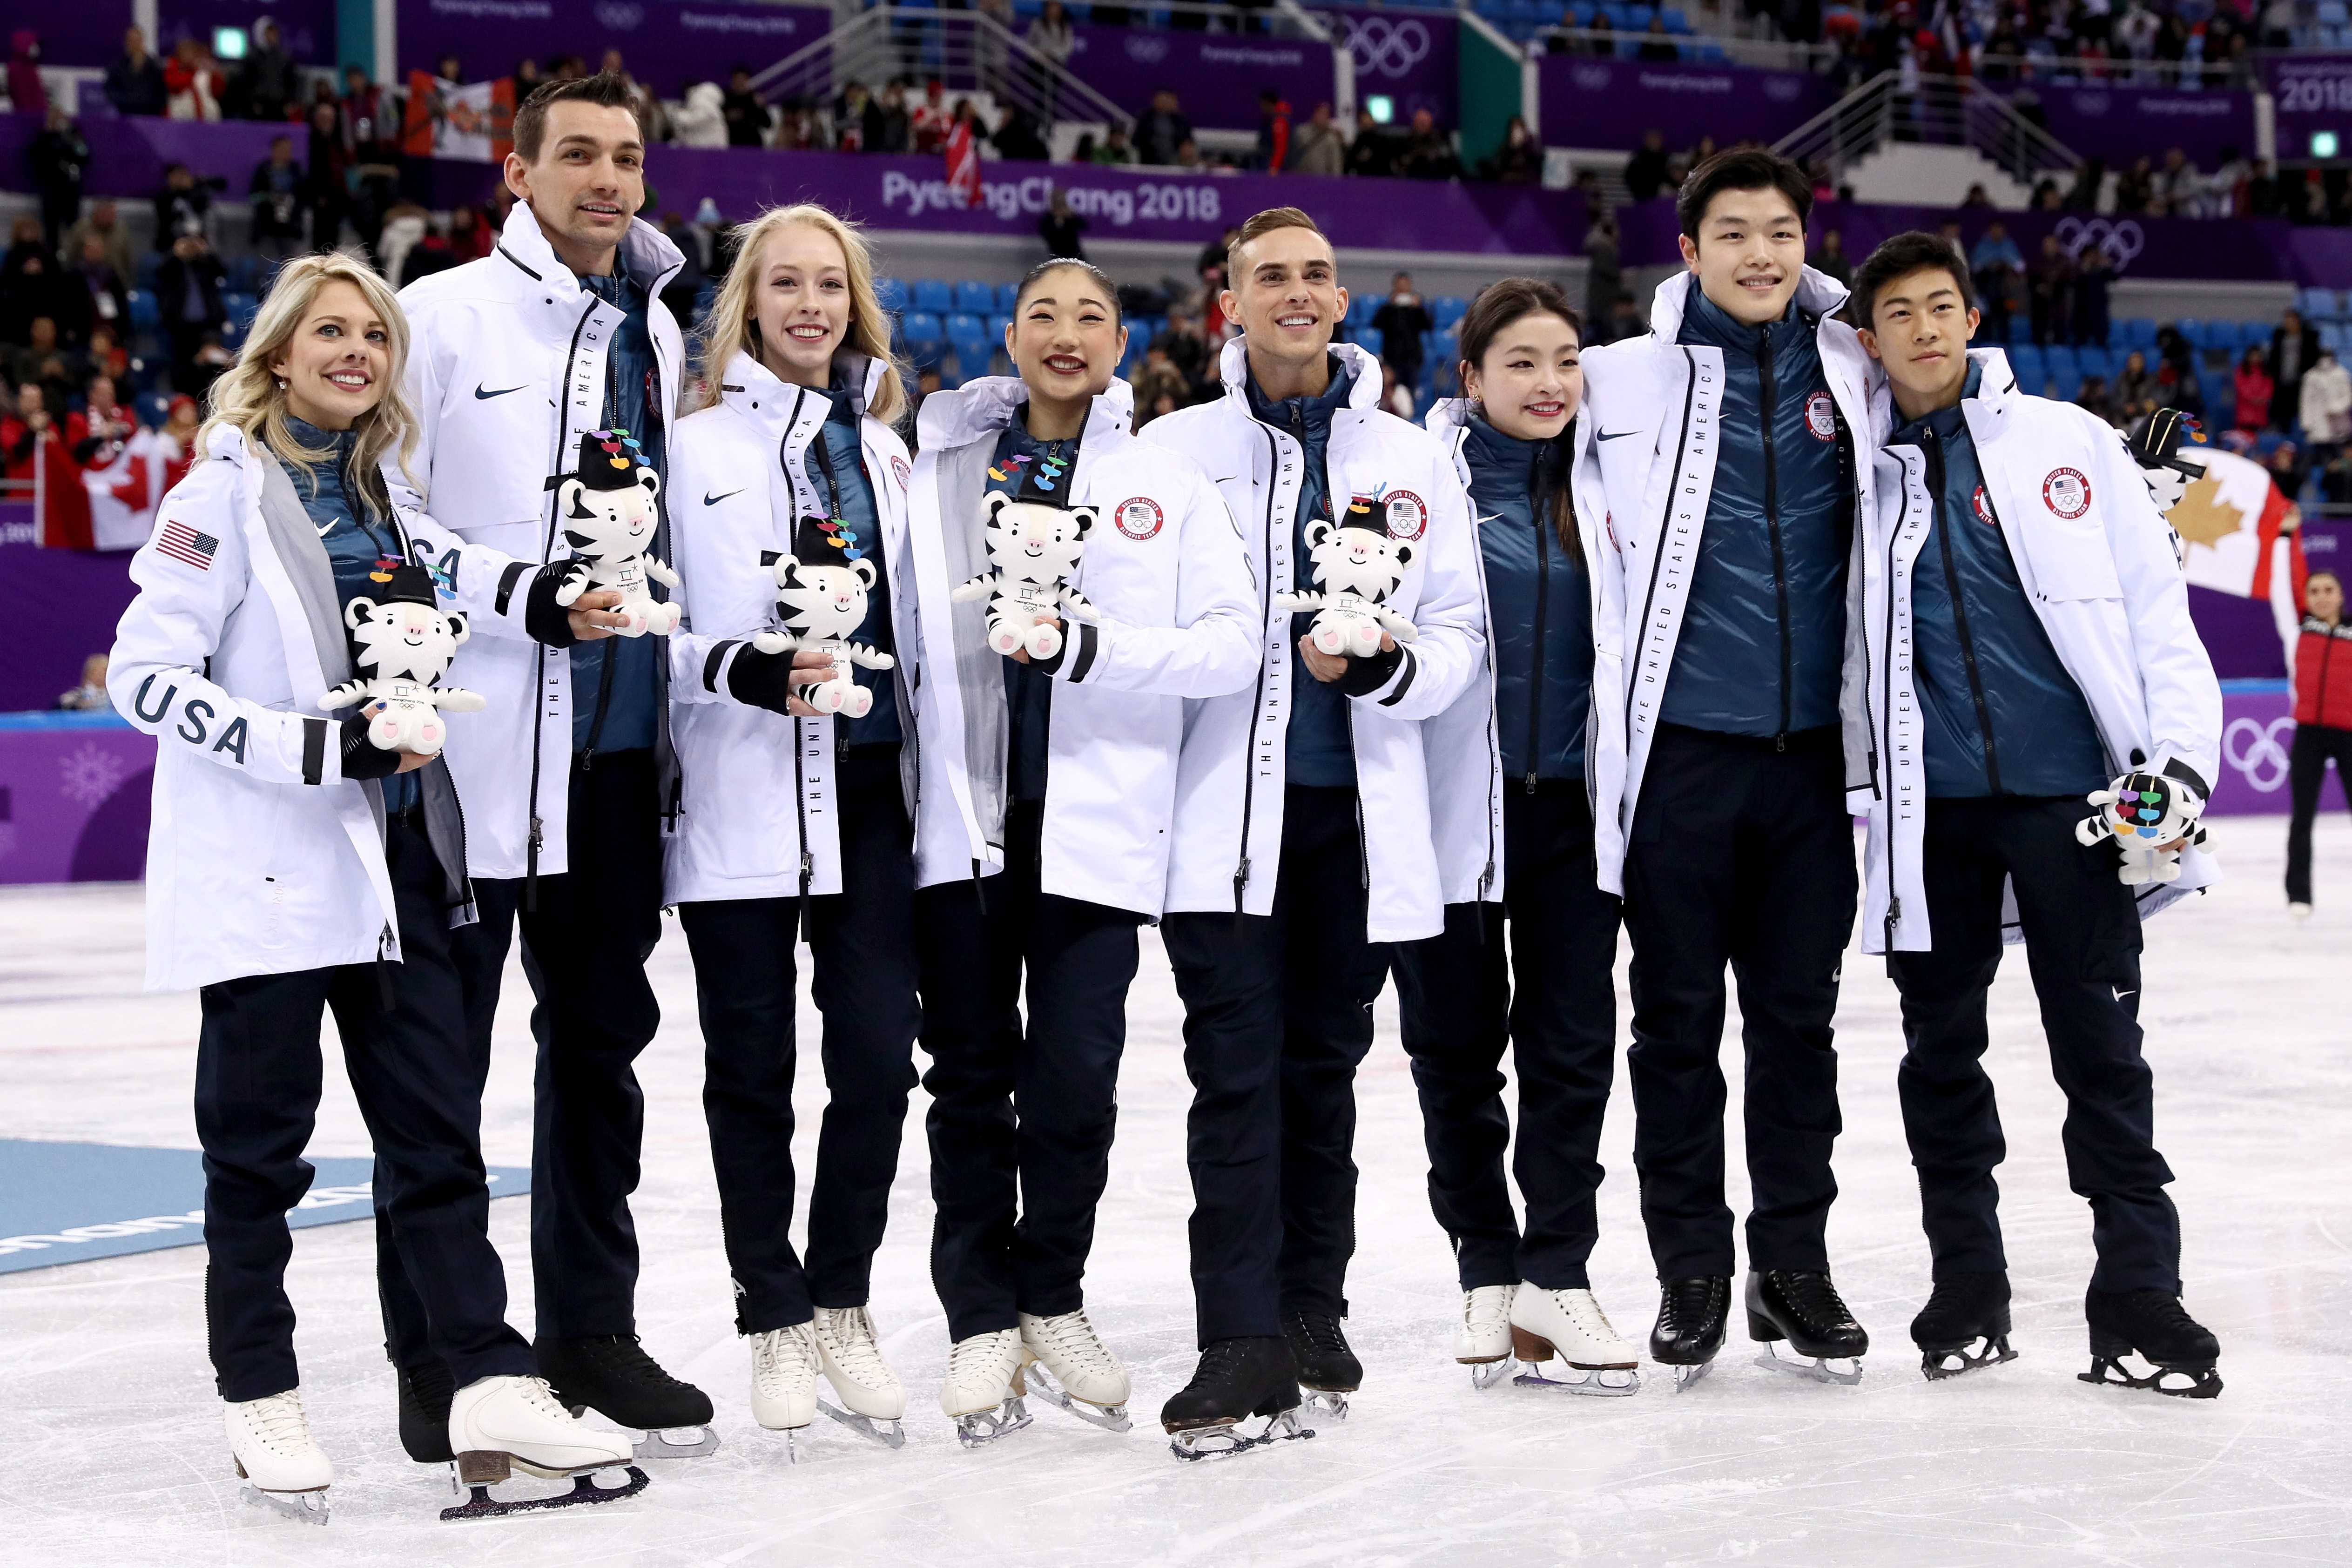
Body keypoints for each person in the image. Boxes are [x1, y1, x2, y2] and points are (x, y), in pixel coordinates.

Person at [105, 250, 639, 1525]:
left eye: (376, 338)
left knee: (434, 1142)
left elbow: (462, 566)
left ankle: (486, 1385)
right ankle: (261, 1389)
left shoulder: (383, 490)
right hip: (271, 876)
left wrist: (557, 598)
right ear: (278, 352)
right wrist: (311, 748)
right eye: (332, 333)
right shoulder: (217, 496)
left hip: (403, 869)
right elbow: (143, 675)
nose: (358, 353)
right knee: (260, 1157)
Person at [388, 71, 717, 1461]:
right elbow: (386, 500)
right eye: (575, 155)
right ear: (514, 175)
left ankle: (592, 1331)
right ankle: (445, 1362)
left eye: (625, 158)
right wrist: (510, 590)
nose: (604, 178)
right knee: (437, 1071)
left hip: (617, 754)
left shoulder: (657, 325)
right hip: (465, 751)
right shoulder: (442, 315)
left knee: (599, 1059)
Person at [1847, 231, 2226, 1396]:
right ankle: (1966, 1282)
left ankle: (2136, 1297)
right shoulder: (1850, 468)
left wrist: (2178, 770)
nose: (1921, 329)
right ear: (1866, 340)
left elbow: (2156, 617)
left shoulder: (2067, 442)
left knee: (2101, 1054)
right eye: (1896, 313)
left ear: (1971, 318)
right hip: (1931, 817)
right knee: (1938, 1058)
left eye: (1939, 306)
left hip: (2077, 807)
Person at [1139, 208, 1484, 1441]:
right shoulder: (1169, 450)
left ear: (1343, 304)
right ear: (1228, 304)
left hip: (1357, 820)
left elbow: (1458, 633)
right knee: (1233, 1071)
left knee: (1322, 1068)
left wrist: (1388, 669)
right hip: (1217, 823)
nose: (1296, 293)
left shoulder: (1409, 455)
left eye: (1316, 276)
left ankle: (1307, 1305)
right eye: (1270, 277)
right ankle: (1237, 1337)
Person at [903, 257, 1259, 1447]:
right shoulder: (938, 465)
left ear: (1122, 342)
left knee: (1070, 1082)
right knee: (964, 1082)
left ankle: (1049, 1294)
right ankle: (977, 1320)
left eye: (1090, 317)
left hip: (1096, 833)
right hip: (961, 821)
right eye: (1042, 315)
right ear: (1008, 334)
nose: (1065, 335)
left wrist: (1088, 648)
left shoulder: (1161, 479)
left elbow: (1230, 645)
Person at [1575, 149, 1875, 1387]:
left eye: (1782, 231)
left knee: (1799, 1030)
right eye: (1733, 234)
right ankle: (1690, 1269)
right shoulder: (1616, 382)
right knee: (1678, 1028)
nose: (1762, 254)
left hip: (1809, 766)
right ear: (1686, 252)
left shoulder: (1853, 370)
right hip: (1682, 763)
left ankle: (1792, 1268)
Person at [662, 204, 923, 1452]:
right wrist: (742, 670)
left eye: (831, 285)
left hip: (873, 799)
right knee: (748, 1072)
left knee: (878, 1062)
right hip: (742, 798)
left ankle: (839, 1294)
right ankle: (770, 1309)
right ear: (750, 306)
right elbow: (649, 630)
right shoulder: (690, 446)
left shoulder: (890, 452)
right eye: (787, 287)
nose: (810, 306)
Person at [1398, 278, 1639, 1393]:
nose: (1547, 385)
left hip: (1573, 819)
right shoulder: (1418, 492)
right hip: (1451, 810)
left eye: (1563, 362)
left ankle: (1558, 1265)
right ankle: (1484, 1265)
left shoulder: (1615, 489)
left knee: (1569, 1048)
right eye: (1521, 364)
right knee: (1452, 1051)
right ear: (1471, 379)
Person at [2287, 571, 2352, 918]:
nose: (2322, 596)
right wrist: (2285, 537)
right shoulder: (2297, 629)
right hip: (2308, 734)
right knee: (2302, 818)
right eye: (2314, 591)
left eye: (2329, 589)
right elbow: (2282, 584)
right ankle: (2299, 894)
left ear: (2341, 595)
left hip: (2349, 735)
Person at [157, 232, 227, 395]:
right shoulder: (175, 266)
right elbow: (161, 274)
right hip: (180, 328)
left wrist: (206, 252)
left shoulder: (204, 264)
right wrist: (176, 256)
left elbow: (222, 271)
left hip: (207, 326)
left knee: (211, 368)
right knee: (184, 369)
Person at [30, 107, 88, 256]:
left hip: (70, 189)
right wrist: (49, 134)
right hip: (51, 189)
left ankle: (73, 258)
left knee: (73, 227)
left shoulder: (74, 135)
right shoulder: (44, 137)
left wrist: (70, 138)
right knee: (51, 230)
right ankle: (52, 258)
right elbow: (37, 159)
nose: (58, 121)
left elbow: (84, 155)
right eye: (55, 118)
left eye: (61, 118)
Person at [1371, 273, 1432, 400]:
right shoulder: (1387, 308)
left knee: (1411, 393)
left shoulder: (1417, 309)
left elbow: (1428, 325)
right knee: (1392, 394)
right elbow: (1376, 323)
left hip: (1412, 358)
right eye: (1400, 287)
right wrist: (1391, 306)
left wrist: (1419, 308)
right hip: (1392, 357)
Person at [249, 136, 306, 263]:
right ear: (274, 150)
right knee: (267, 265)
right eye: (282, 149)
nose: (285, 153)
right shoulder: (263, 171)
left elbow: (304, 196)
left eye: (288, 150)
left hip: (291, 227)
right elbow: (253, 197)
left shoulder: (296, 171)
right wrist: (269, 198)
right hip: (267, 226)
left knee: (290, 263)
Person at [105, 26, 168, 117]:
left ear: (142, 41)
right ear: (126, 43)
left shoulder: (154, 66)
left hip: (150, 116)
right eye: (131, 41)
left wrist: (150, 104)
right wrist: (125, 102)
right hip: (125, 116)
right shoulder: (118, 66)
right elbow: (110, 89)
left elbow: (162, 92)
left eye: (136, 41)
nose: (134, 44)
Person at [722, 67, 773, 147]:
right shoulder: (725, 99)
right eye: (738, 80)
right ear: (732, 81)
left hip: (752, 144)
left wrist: (761, 107)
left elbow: (768, 124)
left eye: (743, 80)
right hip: (731, 144)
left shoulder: (754, 99)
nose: (740, 83)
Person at [1290, 102, 1344, 177]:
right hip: (1302, 178)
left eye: (1325, 115)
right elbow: (1291, 155)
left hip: (1322, 181)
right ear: (1314, 114)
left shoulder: (1331, 139)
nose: (1321, 117)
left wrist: (1336, 183)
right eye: (1319, 113)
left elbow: (1336, 164)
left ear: (1329, 118)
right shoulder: (1301, 132)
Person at [2232, 347, 2274, 436]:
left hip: (2261, 410)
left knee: (2259, 436)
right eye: (2253, 356)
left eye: (2257, 356)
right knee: (2244, 437)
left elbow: (2269, 387)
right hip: (2245, 410)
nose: (2255, 358)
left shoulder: (2265, 371)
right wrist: (2252, 398)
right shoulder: (2241, 370)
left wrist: (2262, 398)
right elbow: (2241, 387)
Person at [1038, 188, 1087, 260]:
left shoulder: (1071, 217)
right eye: (1056, 199)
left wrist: (1071, 216)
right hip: (1058, 258)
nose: (1059, 202)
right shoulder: (1048, 219)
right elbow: (1045, 232)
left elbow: (1084, 226)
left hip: (1076, 257)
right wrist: (1057, 220)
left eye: (1061, 199)